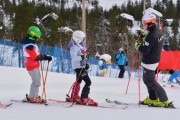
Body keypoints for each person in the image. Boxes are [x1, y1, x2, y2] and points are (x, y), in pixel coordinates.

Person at [135, 13, 172, 107]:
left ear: (150, 23)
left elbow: (145, 50)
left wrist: (138, 46)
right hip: (153, 59)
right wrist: (144, 37)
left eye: (145, 23)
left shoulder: (152, 35)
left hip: (149, 61)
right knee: (146, 79)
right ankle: (153, 98)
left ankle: (164, 100)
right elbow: (151, 44)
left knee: (151, 81)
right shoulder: (157, 31)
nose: (144, 25)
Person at [21, 26, 52, 104]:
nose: (37, 39)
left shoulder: (31, 44)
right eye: (36, 37)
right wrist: (42, 57)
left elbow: (38, 54)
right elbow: (36, 57)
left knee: (36, 81)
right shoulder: (29, 46)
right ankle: (32, 97)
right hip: (32, 67)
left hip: (34, 66)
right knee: (36, 82)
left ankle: (33, 95)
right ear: (32, 35)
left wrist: (45, 56)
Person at [66, 30, 98, 106]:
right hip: (78, 68)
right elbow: (74, 58)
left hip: (80, 67)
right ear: (78, 39)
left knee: (78, 81)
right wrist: (83, 56)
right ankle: (84, 98)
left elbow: (82, 57)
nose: (84, 40)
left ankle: (74, 96)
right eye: (83, 39)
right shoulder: (74, 47)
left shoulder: (79, 46)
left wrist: (85, 64)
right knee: (88, 82)